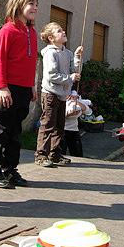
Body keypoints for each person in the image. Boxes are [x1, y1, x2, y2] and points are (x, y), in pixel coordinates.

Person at [0, 0, 39, 188]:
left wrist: (32, 86)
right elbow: (0, 60)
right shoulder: (8, 30)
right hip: (9, 89)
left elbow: (31, 63)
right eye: (31, 4)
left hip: (24, 89)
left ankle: (9, 169)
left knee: (15, 132)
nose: (35, 8)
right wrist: (2, 87)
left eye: (36, 5)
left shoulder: (32, 33)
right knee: (2, 130)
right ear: (18, 5)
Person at [35, 22, 82, 166]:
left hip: (62, 95)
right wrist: (70, 78)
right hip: (50, 94)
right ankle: (41, 155)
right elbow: (51, 76)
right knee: (48, 124)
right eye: (59, 31)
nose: (63, 32)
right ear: (51, 38)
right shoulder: (50, 53)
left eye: (62, 30)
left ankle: (54, 154)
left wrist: (77, 56)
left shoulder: (68, 53)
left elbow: (74, 71)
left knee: (60, 126)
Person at [62, 90, 91, 157]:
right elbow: (60, 114)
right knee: (61, 152)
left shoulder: (77, 102)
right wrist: (69, 113)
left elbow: (87, 111)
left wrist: (77, 102)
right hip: (63, 130)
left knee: (78, 154)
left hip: (74, 130)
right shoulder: (62, 101)